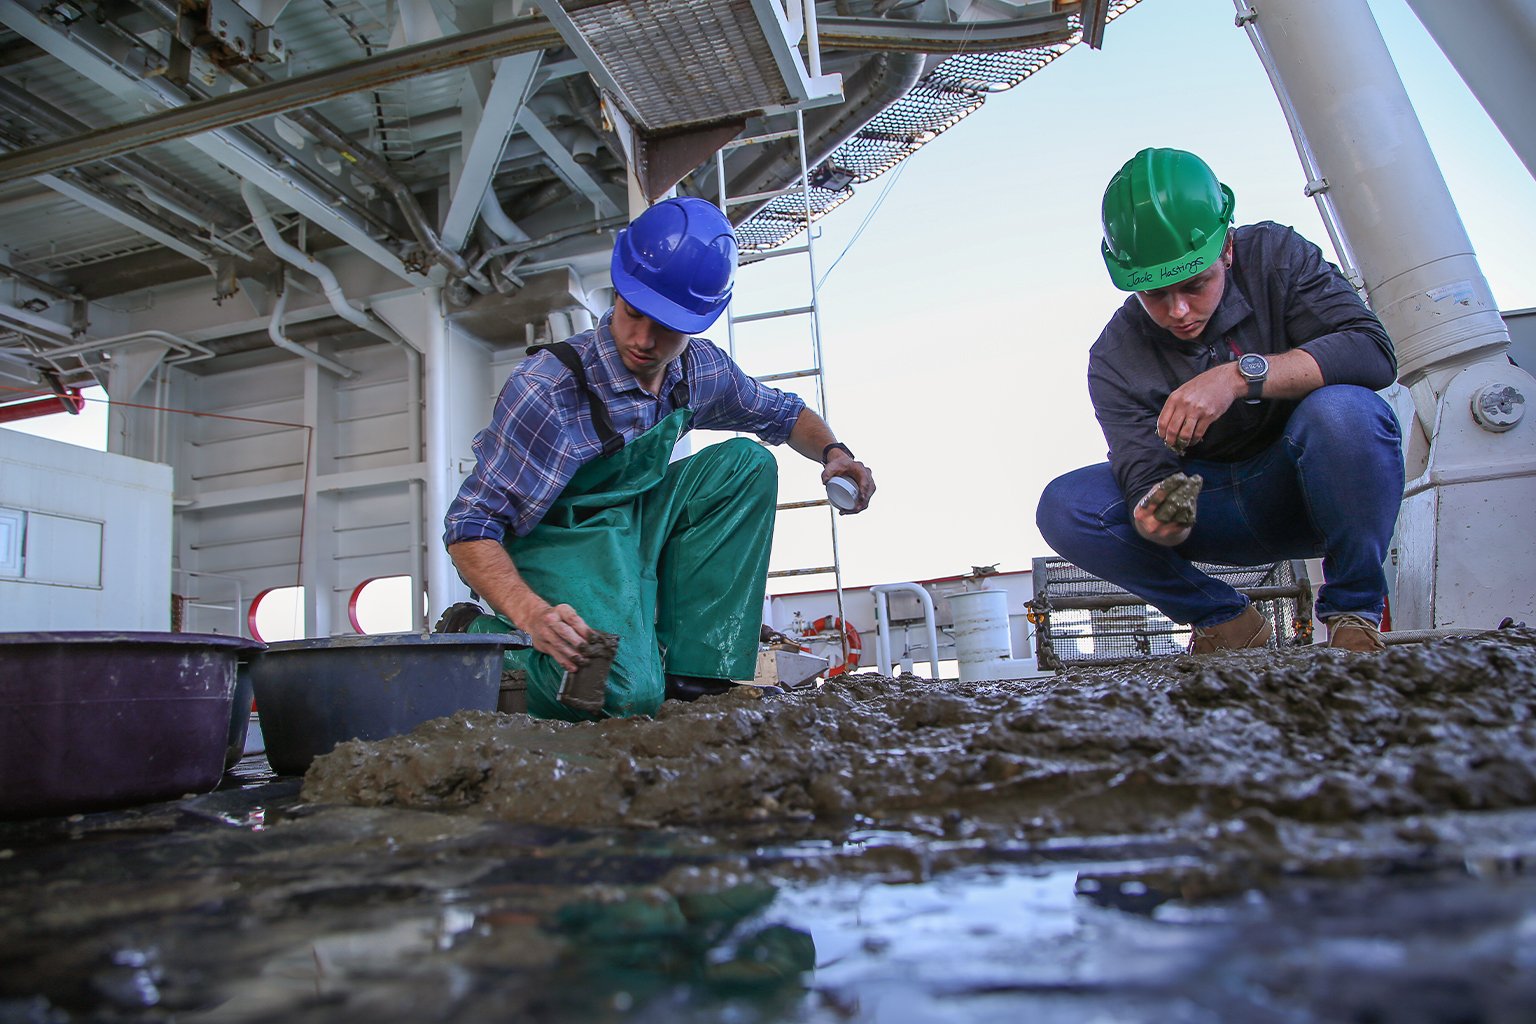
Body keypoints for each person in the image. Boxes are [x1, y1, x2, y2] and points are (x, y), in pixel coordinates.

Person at [443, 196, 875, 720]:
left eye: (667, 326)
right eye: (633, 313)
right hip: (554, 538)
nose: (643, 341)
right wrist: (530, 614)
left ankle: (693, 676)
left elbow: (784, 416)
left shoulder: (699, 371)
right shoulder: (547, 390)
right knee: (621, 695)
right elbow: (469, 527)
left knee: (746, 465)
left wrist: (834, 452)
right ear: (621, 290)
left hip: (634, 516)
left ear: (698, 322)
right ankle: (474, 635)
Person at [1036, 148, 1403, 655]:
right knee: (1067, 506)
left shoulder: (1279, 256)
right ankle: (1224, 620)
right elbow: (1141, 465)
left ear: (1226, 248)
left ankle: (1353, 617)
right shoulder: (1114, 356)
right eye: (1155, 294)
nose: (1179, 310)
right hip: (1213, 509)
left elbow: (1372, 353)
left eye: (1194, 284)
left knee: (1345, 411)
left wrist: (1239, 377)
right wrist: (1153, 510)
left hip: (1310, 489)